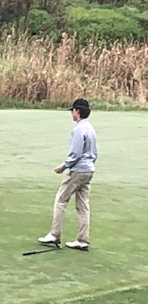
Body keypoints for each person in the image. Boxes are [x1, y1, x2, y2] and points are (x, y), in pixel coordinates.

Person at [38, 98, 97, 251]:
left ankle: (54, 234)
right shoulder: (90, 128)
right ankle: (82, 239)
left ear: (77, 111)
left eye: (72, 110)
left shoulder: (79, 129)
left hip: (78, 170)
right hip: (89, 170)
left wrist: (63, 166)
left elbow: (76, 154)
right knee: (83, 205)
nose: (71, 113)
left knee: (61, 199)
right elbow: (94, 153)